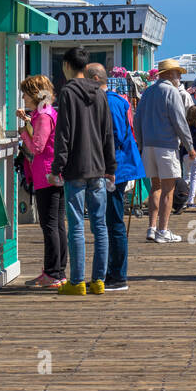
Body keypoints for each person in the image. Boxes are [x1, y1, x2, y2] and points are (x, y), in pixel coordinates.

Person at [49, 47, 116, 296]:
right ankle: (98, 281)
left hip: (76, 168)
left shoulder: (67, 92)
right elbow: (107, 132)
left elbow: (63, 133)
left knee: (76, 225)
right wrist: (111, 167)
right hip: (98, 168)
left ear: (67, 65)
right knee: (100, 226)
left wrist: (57, 167)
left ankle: (77, 282)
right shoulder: (99, 93)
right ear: (86, 67)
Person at [85, 63, 142, 291]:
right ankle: (110, 272)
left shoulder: (110, 102)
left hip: (115, 170)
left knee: (114, 222)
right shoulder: (113, 100)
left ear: (96, 78)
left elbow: (115, 137)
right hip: (113, 168)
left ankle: (118, 276)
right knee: (108, 222)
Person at [135, 58, 195, 244]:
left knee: (155, 186)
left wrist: (141, 142)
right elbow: (179, 122)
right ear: (169, 74)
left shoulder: (148, 91)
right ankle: (163, 230)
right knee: (169, 189)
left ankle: (152, 228)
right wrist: (190, 146)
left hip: (148, 146)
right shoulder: (172, 91)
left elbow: (137, 120)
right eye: (177, 73)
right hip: (166, 146)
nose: (179, 77)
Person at [17, 75, 63, 288]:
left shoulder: (43, 116)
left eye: (26, 93)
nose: (23, 97)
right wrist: (27, 122)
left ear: (35, 94)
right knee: (57, 225)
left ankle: (53, 273)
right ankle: (57, 271)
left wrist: (23, 134)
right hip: (52, 174)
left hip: (47, 175)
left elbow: (37, 147)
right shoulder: (46, 112)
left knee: (50, 225)